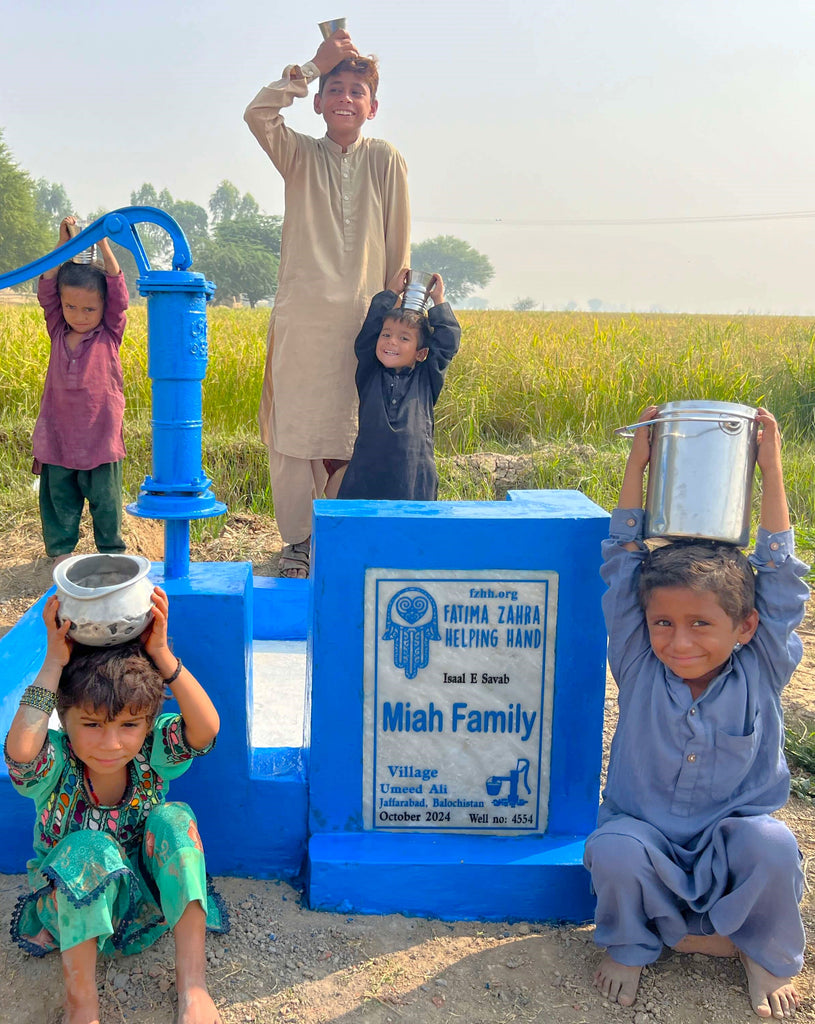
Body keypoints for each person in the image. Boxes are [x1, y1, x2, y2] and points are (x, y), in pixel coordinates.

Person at [584, 406, 808, 1021]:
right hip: (647, 840)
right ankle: (633, 945)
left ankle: (760, 948)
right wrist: (640, 461)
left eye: (701, 625)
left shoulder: (762, 664)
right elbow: (622, 556)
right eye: (664, 623)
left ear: (745, 627)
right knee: (614, 850)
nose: (679, 642)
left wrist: (770, 468)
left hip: (728, 847)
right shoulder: (636, 661)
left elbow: (782, 577)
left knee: (774, 845)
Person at [4, 586, 227, 1024]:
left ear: (148, 726)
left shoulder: (151, 752)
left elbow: (205, 730)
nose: (111, 743)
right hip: (67, 913)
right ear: (63, 721)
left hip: (144, 907)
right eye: (91, 724)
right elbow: (21, 754)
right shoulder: (57, 762)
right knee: (90, 847)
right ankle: (81, 1010)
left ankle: (193, 989)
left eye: (129, 725)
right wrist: (54, 663)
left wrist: (162, 655)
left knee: (175, 818)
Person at [244, 27, 410, 577]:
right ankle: (297, 542)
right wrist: (314, 66)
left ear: (373, 106)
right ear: (317, 103)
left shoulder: (386, 159)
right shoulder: (299, 155)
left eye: (356, 91)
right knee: (294, 429)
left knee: (352, 428)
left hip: (365, 323)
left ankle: (339, 532)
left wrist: (395, 318)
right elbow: (258, 115)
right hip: (302, 320)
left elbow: (398, 245)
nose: (345, 97)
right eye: (334, 89)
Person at [34, 216, 130, 565]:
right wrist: (64, 246)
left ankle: (111, 554)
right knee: (59, 498)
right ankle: (61, 552)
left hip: (100, 436)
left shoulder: (108, 334)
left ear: (104, 309)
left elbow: (118, 291)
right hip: (58, 434)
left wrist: (103, 244)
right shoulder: (59, 329)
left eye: (89, 308)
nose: (79, 314)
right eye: (71, 306)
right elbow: (47, 287)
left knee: (106, 499)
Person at [337, 268, 461, 500]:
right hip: (366, 475)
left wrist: (439, 301)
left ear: (421, 353)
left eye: (404, 338)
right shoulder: (370, 372)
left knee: (412, 533)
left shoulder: (426, 380)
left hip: (414, 479)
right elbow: (368, 334)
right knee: (363, 532)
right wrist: (391, 293)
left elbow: (446, 345)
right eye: (386, 335)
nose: (391, 342)